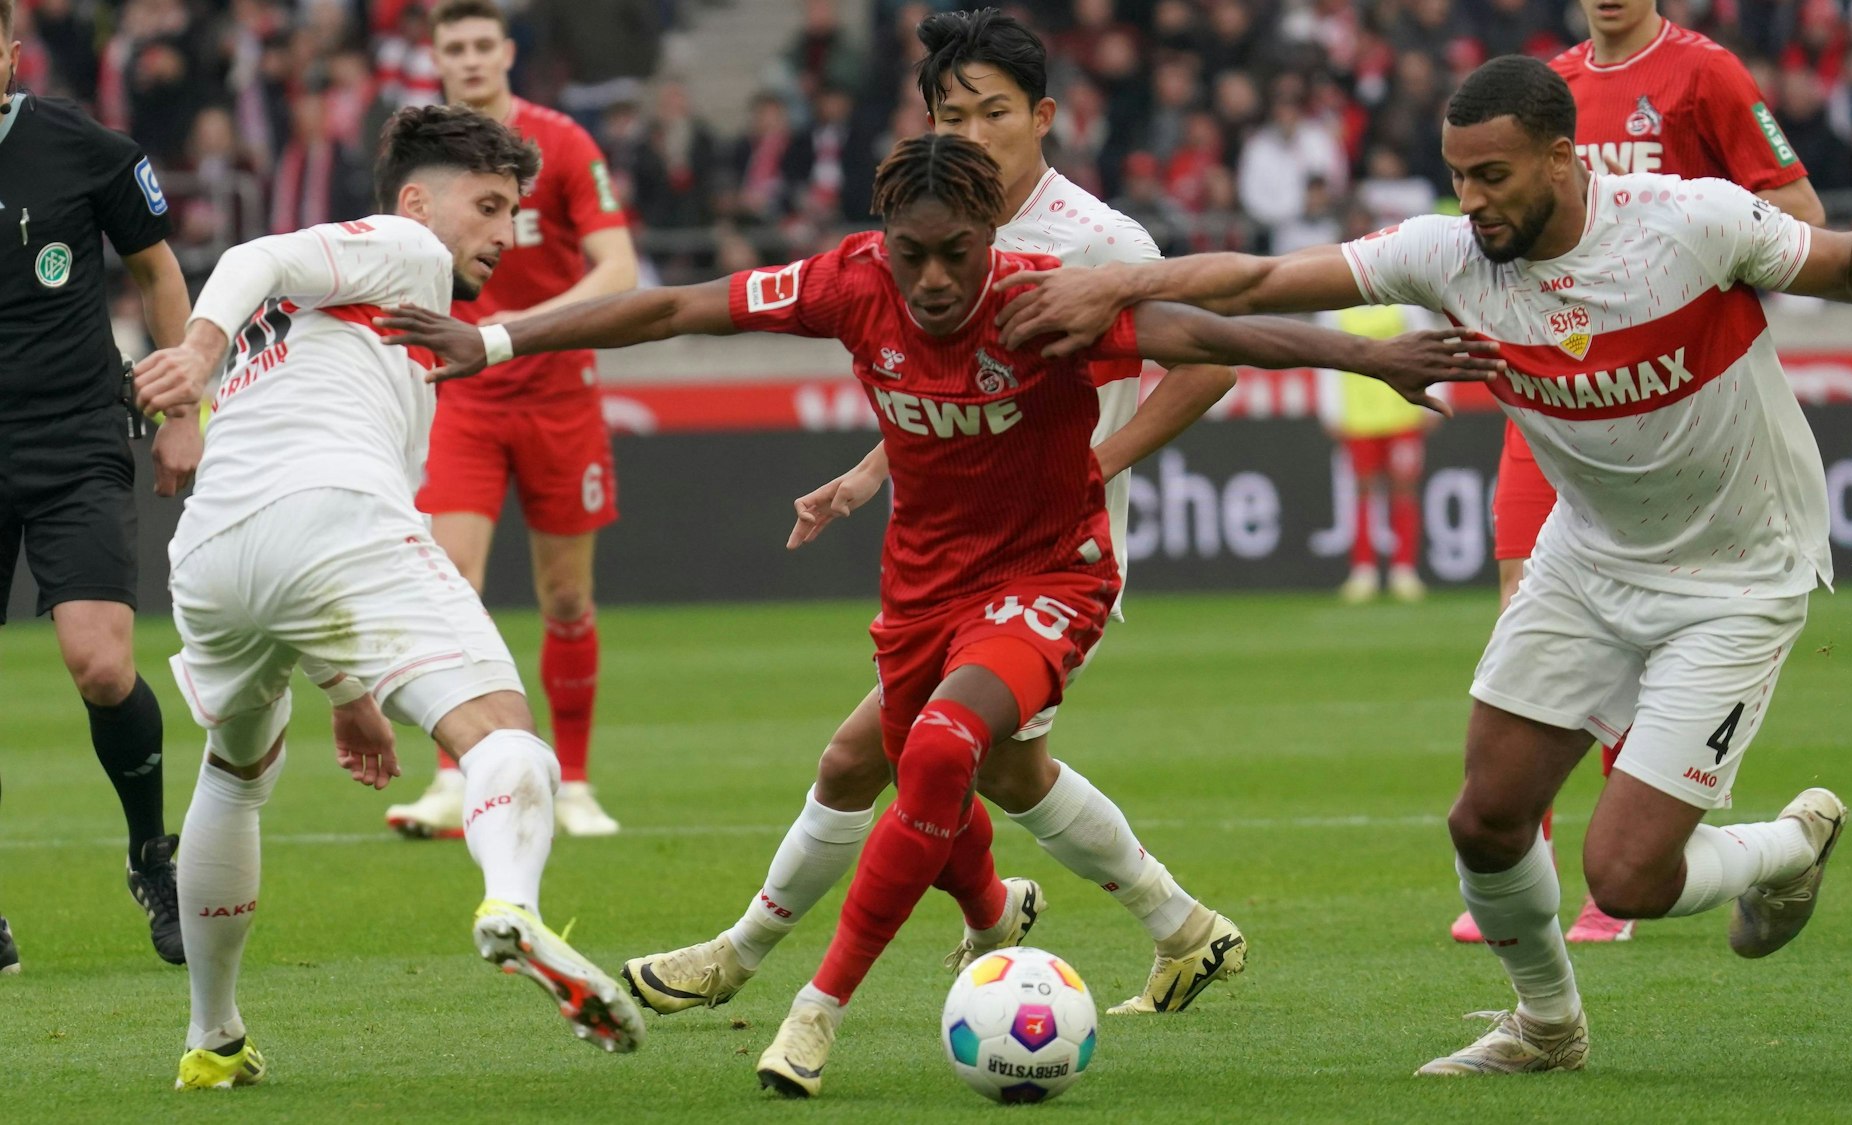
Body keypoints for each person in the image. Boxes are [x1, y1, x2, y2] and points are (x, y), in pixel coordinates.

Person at [378, 133, 1498, 1096]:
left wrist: (1371, 354)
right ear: (883, 238)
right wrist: (498, 338)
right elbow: (673, 304)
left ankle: (809, 1006)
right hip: (922, 590)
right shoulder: (848, 282)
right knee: (920, 769)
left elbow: (1207, 337)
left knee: (946, 745)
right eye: (909, 253)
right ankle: (1105, 918)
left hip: (1053, 577)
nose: (928, 279)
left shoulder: (1037, 301)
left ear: (986, 234)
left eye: (952, 253)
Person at [987, 53, 1852, 1076]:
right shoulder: (1447, 253)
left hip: (1734, 574)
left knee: (1625, 875)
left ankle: (1787, 848)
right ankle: (1547, 1028)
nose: (1471, 199)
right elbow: (1264, 277)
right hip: (1587, 557)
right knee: (1486, 820)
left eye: (1492, 175)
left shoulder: (1690, 220)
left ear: (1561, 156)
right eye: (1457, 174)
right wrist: (1118, 281)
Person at [621, 8, 1258, 1023]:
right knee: (997, 770)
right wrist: (867, 473)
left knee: (874, 757)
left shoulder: (1097, 241)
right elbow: (955, 390)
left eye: (991, 113)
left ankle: (742, 957)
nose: (969, 133)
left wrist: (1089, 469)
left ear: (1042, 116)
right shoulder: (934, 229)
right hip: (958, 554)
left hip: (1046, 559)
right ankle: (1176, 927)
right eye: (950, 114)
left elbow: (1211, 363)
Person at [130, 105, 645, 1091]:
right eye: (490, 208)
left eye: (514, 212)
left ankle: (212, 1038)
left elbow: (302, 568)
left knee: (236, 771)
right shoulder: (407, 245)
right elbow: (252, 255)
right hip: (327, 514)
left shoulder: (368, 324)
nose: (506, 234)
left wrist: (344, 686)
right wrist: (193, 354)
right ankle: (511, 903)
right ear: (416, 200)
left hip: (211, 552)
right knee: (502, 734)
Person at [1467, 0, 1835, 945]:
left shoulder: (1705, 75)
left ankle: (1620, 877)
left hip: (1660, 384)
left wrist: (1673, 256)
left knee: (1649, 631)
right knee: (1528, 612)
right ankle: (1521, 866)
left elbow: (1798, 216)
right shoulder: (1552, 89)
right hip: (1551, 383)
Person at [384, 0, 640, 841]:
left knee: (566, 595)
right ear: (437, 59)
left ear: (505, 51)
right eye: (452, 46)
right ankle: (455, 773)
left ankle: (574, 782)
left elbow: (620, 269)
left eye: (481, 43)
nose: (468, 58)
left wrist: (509, 334)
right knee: (449, 580)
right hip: (461, 393)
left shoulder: (561, 143)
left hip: (557, 392)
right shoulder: (420, 162)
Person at [0, 0, 198, 968]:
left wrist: (180, 410)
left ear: (9, 53)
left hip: (75, 434)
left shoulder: (82, 148)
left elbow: (160, 274)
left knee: (102, 665)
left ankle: (150, 857)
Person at [1320, 304, 1439, 604]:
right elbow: (1324, 362)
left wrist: (1435, 397)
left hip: (1402, 412)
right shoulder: (1335, 311)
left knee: (1404, 489)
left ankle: (1404, 571)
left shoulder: (1404, 306)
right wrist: (1331, 410)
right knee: (1363, 491)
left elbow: (1429, 347)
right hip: (1358, 416)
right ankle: (1363, 571)